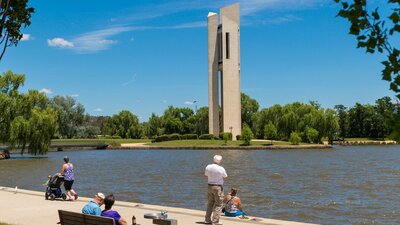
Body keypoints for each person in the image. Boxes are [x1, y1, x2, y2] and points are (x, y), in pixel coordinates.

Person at [204, 155, 228, 225]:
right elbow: (226, 177)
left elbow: (205, 175)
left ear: (213, 159)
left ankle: (207, 219)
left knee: (210, 203)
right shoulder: (221, 168)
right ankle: (215, 221)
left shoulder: (208, 166)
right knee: (218, 204)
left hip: (209, 186)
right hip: (218, 187)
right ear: (220, 161)